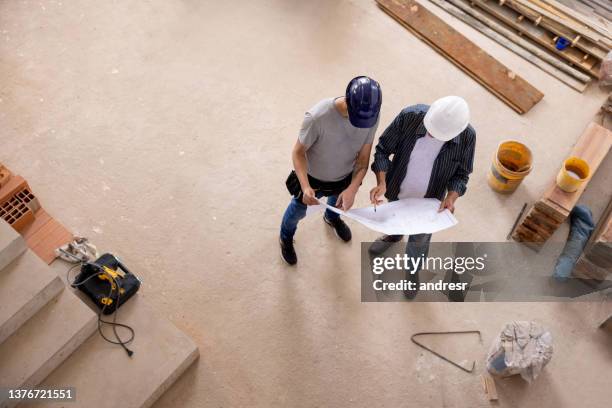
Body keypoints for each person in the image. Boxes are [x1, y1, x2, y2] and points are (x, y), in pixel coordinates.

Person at [368, 96, 476, 298]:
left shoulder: (468, 137)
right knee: (395, 219)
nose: (431, 135)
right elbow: (382, 150)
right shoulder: (409, 116)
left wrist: (451, 198)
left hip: (429, 203)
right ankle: (394, 234)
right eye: (430, 129)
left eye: (439, 135)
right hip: (397, 188)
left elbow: (462, 174)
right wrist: (381, 182)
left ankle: (412, 271)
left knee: (419, 241)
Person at [279, 76, 382, 265]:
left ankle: (331, 217)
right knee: (297, 211)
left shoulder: (371, 117)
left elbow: (363, 159)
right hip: (312, 179)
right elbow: (298, 152)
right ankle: (285, 237)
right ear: (347, 101)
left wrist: (353, 188)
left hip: (344, 177)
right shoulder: (317, 117)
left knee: (337, 205)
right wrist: (305, 186)